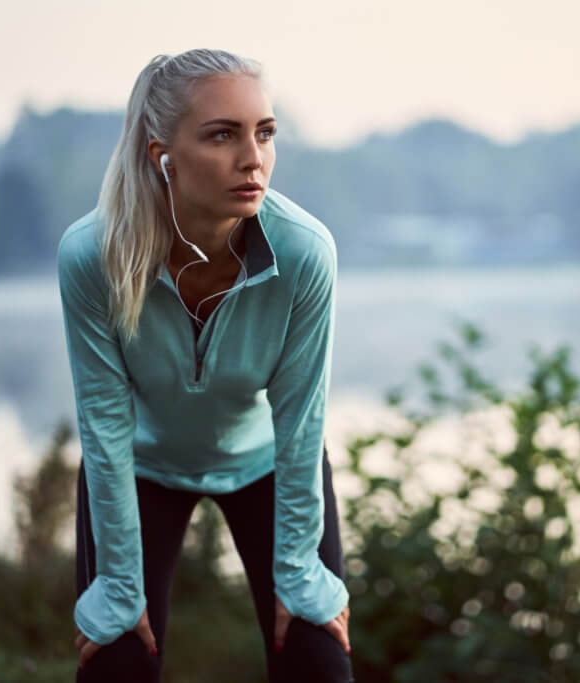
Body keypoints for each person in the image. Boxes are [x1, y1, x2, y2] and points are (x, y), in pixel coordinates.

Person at [57, 48, 353, 683]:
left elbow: (302, 421)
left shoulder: (306, 253)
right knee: (118, 659)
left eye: (265, 133)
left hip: (271, 462)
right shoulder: (91, 256)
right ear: (161, 153)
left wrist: (299, 576)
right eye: (223, 135)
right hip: (138, 465)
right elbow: (103, 425)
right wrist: (117, 588)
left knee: (317, 654)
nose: (254, 159)